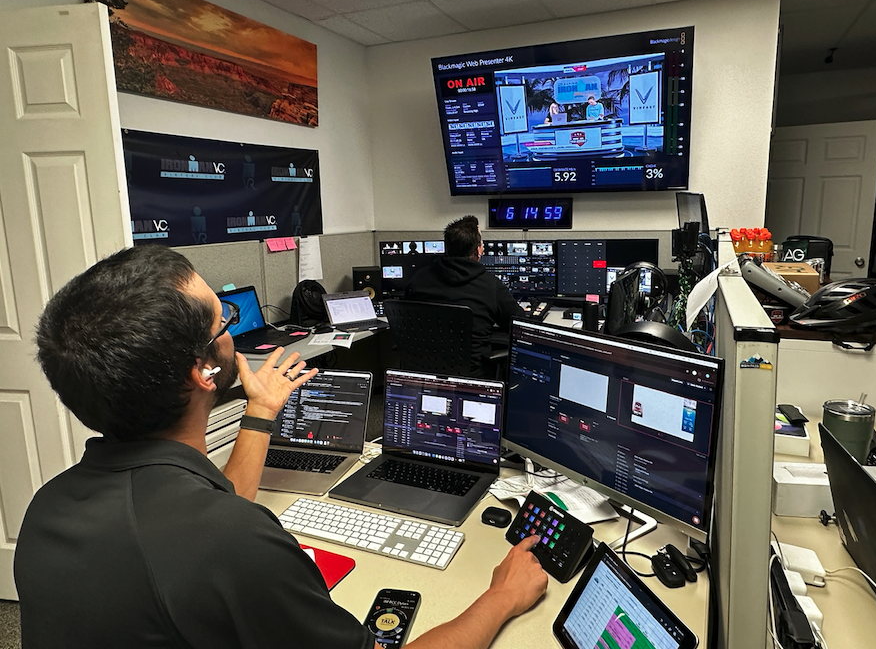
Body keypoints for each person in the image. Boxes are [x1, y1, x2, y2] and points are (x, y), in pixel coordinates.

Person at [15, 245, 547, 649]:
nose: (230, 329)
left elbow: (211, 510)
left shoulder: (48, 508)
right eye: (222, 317)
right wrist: (502, 597)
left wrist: (262, 410)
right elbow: (221, 532)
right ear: (203, 371)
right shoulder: (232, 542)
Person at [404, 215, 525, 376]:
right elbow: (519, 325)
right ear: (478, 251)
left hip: (424, 374)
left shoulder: (418, 279)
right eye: (481, 244)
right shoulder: (490, 285)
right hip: (473, 377)